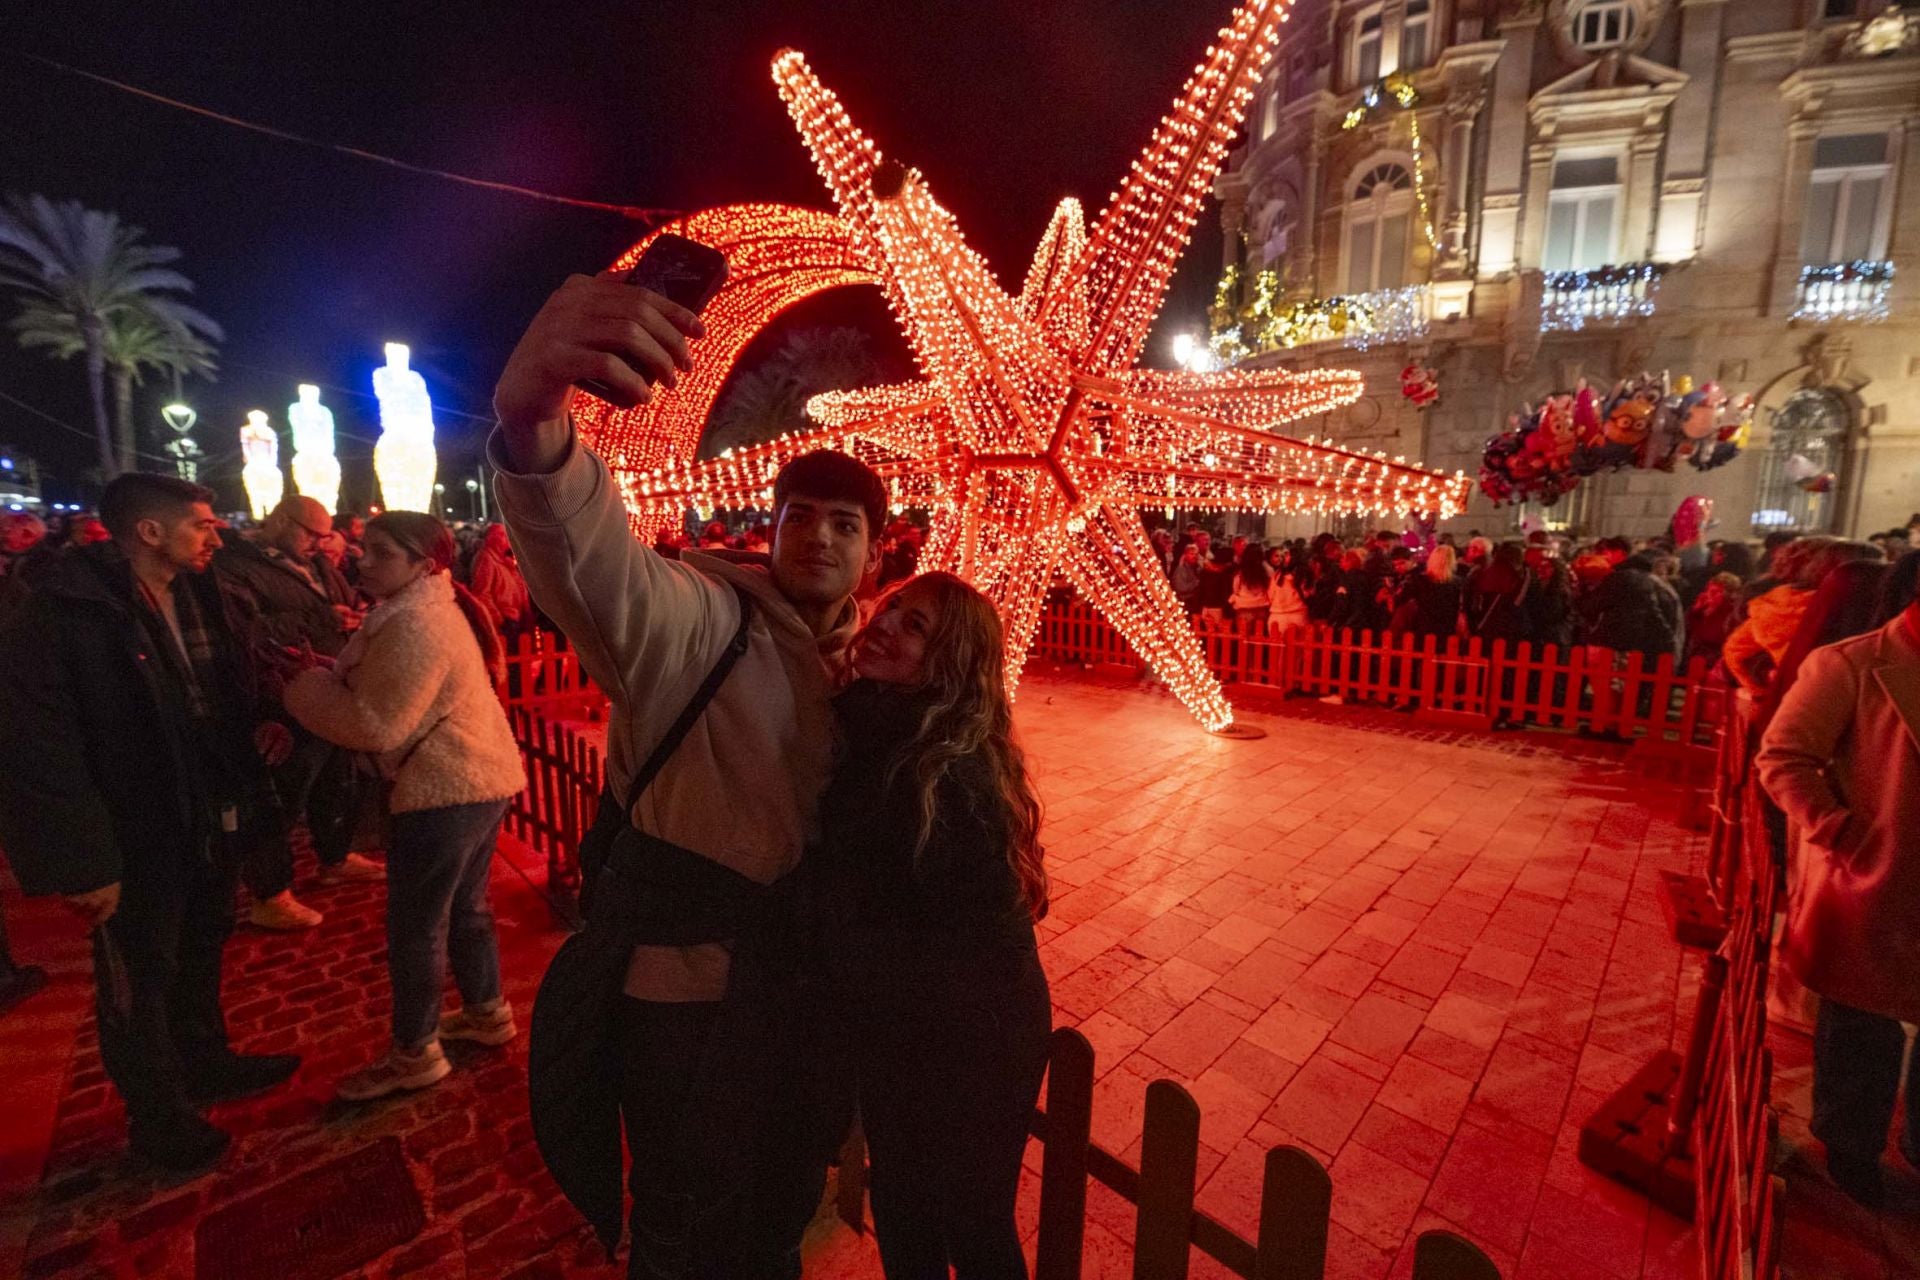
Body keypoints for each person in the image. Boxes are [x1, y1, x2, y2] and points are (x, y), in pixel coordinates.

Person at [491, 269, 881, 1277]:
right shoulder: (698, 620)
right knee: (680, 1218)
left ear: (873, 553)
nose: (821, 537)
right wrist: (532, 419)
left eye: (847, 524)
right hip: (687, 997)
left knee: (780, 1208)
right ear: (775, 524)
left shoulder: (870, 670)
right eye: (804, 514)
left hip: (799, 1001)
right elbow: (592, 562)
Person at [0, 474, 298, 1169]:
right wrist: (83, 862)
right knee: (142, 972)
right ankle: (158, 1118)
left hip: (205, 808)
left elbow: (222, 684)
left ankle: (206, 1059)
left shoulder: (199, 592)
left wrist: (265, 721)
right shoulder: (65, 613)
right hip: (135, 825)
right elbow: (39, 744)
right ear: (149, 532)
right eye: (201, 524)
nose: (216, 535)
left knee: (202, 941)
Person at [817, 572, 1051, 1279]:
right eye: (892, 607)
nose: (886, 624)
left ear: (951, 661)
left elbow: (960, 930)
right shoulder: (870, 720)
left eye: (916, 626)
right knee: (902, 1201)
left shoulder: (953, 773)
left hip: (972, 1033)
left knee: (970, 1219)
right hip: (900, 1024)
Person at [279, 512, 526, 1100]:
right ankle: (486, 1011)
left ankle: (414, 1052)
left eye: (381, 552)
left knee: (417, 925)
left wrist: (300, 690)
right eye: (365, 549)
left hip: (445, 786)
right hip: (477, 777)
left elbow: (376, 724)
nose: (361, 561)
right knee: (466, 908)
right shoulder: (419, 610)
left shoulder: (417, 622)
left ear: (425, 563)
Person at [1755, 570, 1920, 1205]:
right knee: (1862, 1021)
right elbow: (1784, 757)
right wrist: (1843, 830)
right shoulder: (1852, 664)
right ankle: (1850, 1150)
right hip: (1875, 876)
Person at [215, 495, 382, 931]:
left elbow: (329, 604)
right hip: (282, 696)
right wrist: (319, 620)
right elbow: (241, 629)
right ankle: (270, 893)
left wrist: (347, 615)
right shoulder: (237, 565)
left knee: (335, 781)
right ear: (281, 521)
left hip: (327, 685)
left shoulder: (313, 563)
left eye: (325, 535)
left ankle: (334, 858)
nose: (319, 543)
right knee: (283, 794)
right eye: (311, 533)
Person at [468, 522, 533, 638]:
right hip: (505, 621)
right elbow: (482, 593)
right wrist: (499, 620)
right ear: (494, 538)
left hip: (515, 618)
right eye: (503, 536)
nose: (507, 541)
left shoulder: (503, 560)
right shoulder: (486, 559)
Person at [1683, 572, 1743, 671]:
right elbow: (1690, 626)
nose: (1711, 593)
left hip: (1715, 657)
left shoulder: (1732, 610)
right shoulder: (1704, 606)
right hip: (1698, 655)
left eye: (1717, 591)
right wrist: (1695, 610)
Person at [1228, 542, 1271, 634]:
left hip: (1244, 608)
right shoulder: (1267, 570)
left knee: (1244, 640)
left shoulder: (1241, 571)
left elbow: (1235, 589)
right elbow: (1270, 588)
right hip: (1261, 607)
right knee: (1259, 640)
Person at [1170, 543, 1202, 614]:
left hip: (1194, 603)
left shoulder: (1197, 568)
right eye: (1192, 554)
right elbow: (1180, 588)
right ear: (1185, 555)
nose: (1194, 556)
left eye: (1196, 554)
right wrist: (1196, 583)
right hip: (1185, 603)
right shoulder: (1181, 570)